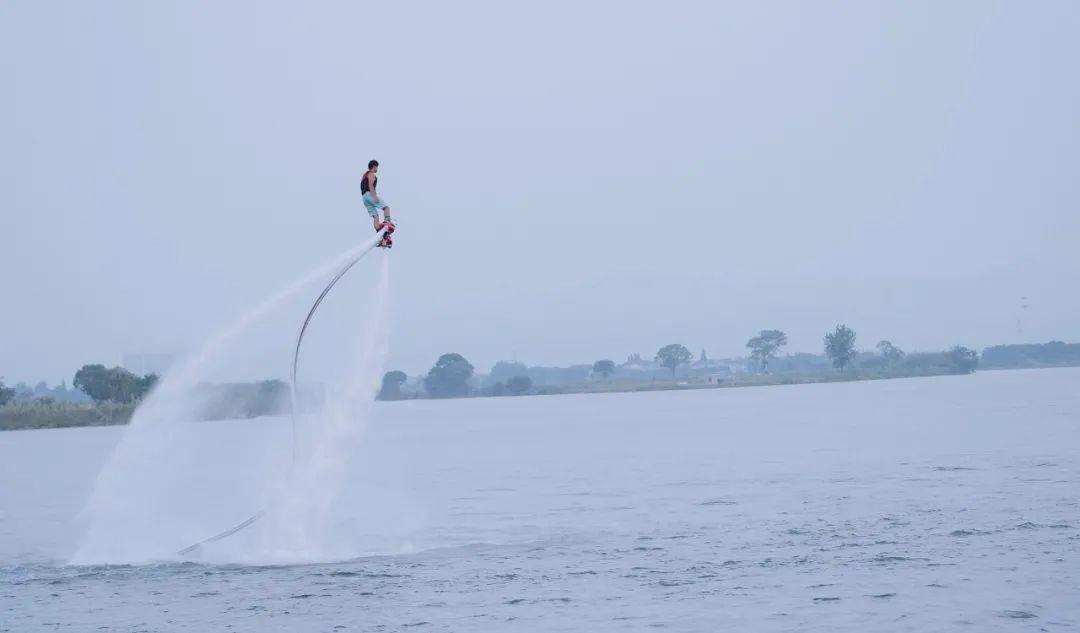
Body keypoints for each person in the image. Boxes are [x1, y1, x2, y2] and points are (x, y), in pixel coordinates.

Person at [361, 159, 392, 231]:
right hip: (369, 194)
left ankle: (378, 230)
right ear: (374, 166)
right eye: (377, 167)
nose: (377, 169)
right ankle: (388, 222)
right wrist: (374, 196)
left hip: (364, 198)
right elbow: (370, 185)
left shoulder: (365, 175)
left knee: (375, 216)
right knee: (386, 208)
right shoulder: (371, 174)